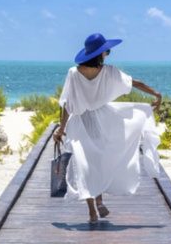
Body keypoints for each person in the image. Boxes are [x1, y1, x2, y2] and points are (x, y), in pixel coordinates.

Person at [53, 33, 162, 224]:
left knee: (84, 165)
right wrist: (156, 93)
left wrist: (61, 129)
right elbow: (134, 83)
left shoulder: (73, 73)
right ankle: (100, 202)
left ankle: (92, 210)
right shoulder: (109, 72)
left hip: (80, 123)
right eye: (107, 52)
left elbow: (67, 105)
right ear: (102, 53)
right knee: (99, 160)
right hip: (103, 119)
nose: (108, 55)